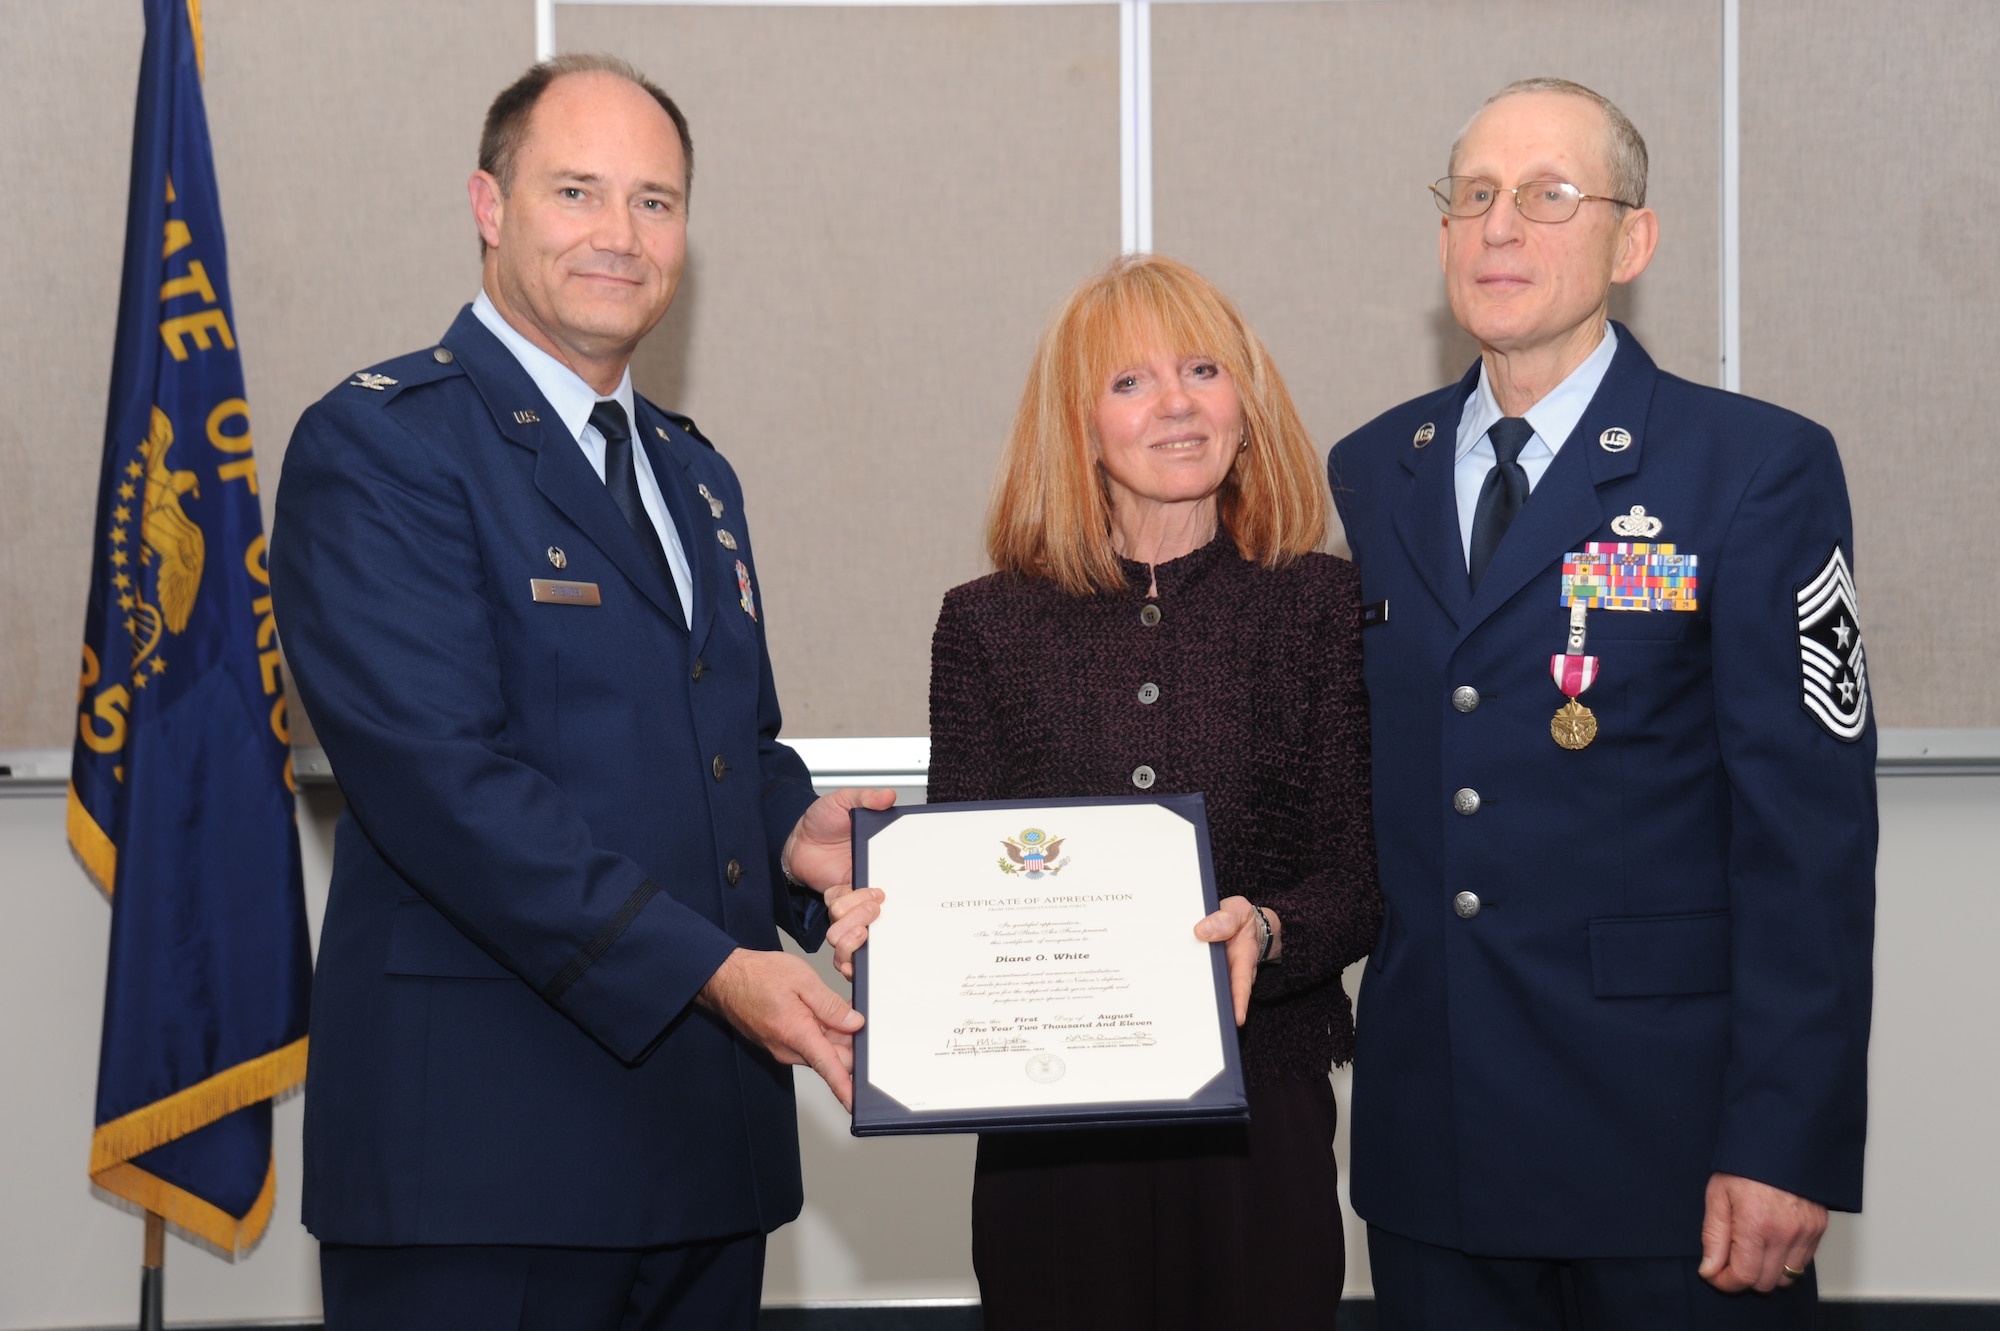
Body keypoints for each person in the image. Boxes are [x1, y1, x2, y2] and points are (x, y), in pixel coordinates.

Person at [269, 54, 893, 1331]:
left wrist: (793, 835)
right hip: (486, 1167)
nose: (620, 234)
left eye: (655, 202)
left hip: (703, 1156)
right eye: (577, 191)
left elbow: (726, 736)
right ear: (489, 207)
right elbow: (446, 786)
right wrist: (719, 970)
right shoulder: (383, 444)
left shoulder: (691, 472)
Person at [1327, 77, 1876, 1328]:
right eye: (1472, 196)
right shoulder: (1373, 471)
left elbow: (1809, 842)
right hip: (1435, 1149)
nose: (1499, 227)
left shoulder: (1749, 469)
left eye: (1546, 195)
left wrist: (1784, 1136)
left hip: (1669, 1154)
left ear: (1631, 241)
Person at [829, 254, 1382, 1329]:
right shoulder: (984, 624)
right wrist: (888, 927)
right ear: (1079, 428)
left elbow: (1356, 877)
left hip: (1256, 1116)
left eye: (1201, 370)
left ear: (1244, 406)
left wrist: (1265, 928)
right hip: (1046, 1136)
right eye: (1128, 382)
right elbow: (959, 879)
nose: (1175, 402)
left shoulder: (1317, 605)